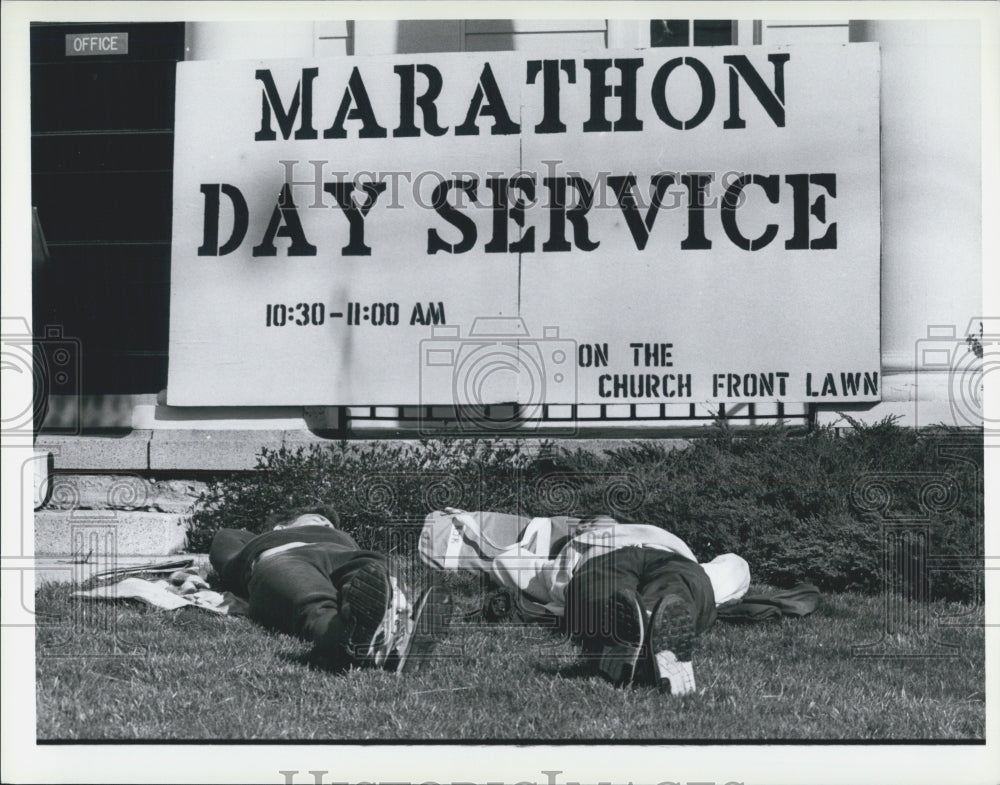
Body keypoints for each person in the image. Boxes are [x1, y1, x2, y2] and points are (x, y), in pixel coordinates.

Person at [488, 514, 750, 695]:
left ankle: (642, 629)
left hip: (668, 558)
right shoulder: (576, 546)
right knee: (609, 594)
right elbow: (506, 562)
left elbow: (736, 567)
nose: (593, 523)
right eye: (588, 522)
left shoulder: (654, 533)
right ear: (581, 529)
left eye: (599, 520)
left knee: (680, 584)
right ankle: (648, 633)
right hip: (602, 561)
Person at [209, 505, 452, 672]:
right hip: (286, 556)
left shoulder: (343, 538)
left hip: (350, 556)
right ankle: (344, 638)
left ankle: (389, 625)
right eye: (317, 519)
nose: (327, 523)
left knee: (372, 576)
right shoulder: (264, 539)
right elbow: (226, 548)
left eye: (329, 523)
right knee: (312, 602)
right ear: (281, 527)